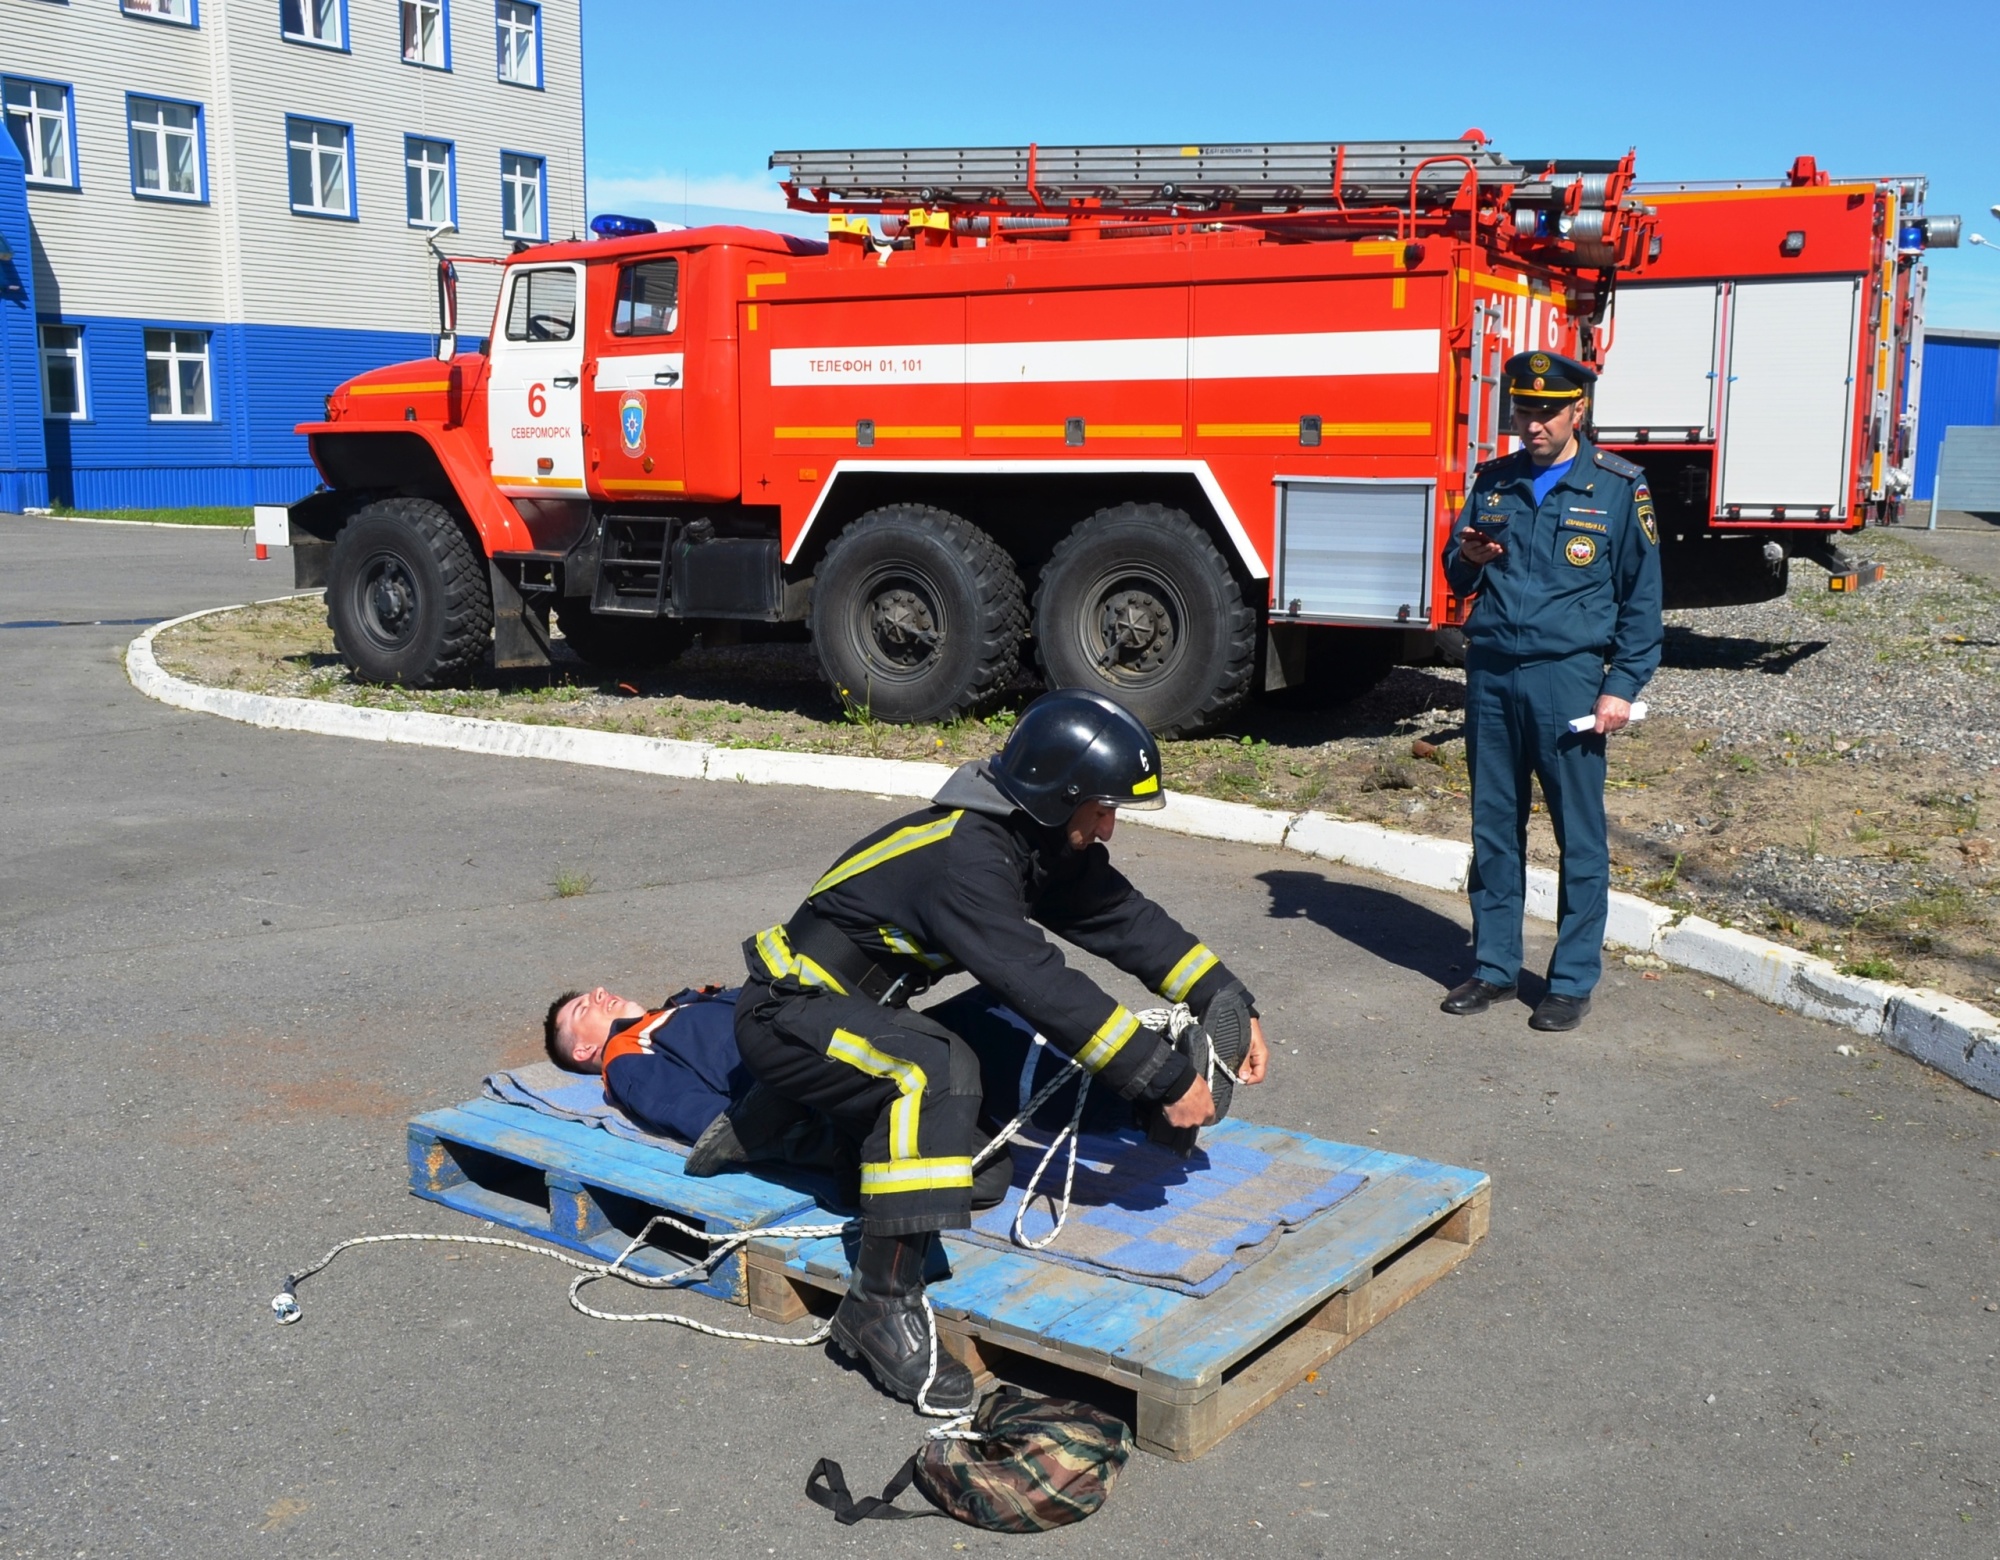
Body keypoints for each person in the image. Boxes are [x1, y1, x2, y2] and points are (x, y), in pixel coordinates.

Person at [700, 689, 1272, 1410]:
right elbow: (1041, 982)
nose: (1110, 828)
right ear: (1058, 796)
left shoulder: (1029, 842)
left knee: (980, 1173)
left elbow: (1124, 920)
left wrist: (1227, 999)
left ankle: (798, 1125)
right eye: (1103, 809)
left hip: (849, 1022)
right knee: (937, 1074)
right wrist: (1160, 1077)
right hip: (789, 1018)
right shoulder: (964, 859)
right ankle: (877, 1304)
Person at [1439, 349, 1664, 1032]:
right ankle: (1495, 968)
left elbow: (1641, 600)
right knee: (1494, 828)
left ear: (1578, 411)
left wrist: (1621, 687)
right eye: (1522, 409)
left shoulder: (1619, 489)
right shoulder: (1496, 481)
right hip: (1492, 675)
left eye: (1545, 411)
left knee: (1579, 835)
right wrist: (1468, 559)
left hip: (1568, 680)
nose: (1531, 424)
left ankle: (1569, 980)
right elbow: (1457, 576)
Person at [544, 984, 756, 1145]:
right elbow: (690, 1109)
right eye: (582, 1009)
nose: (599, 991)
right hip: (774, 1069)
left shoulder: (680, 1008)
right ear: (584, 1050)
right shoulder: (624, 1053)